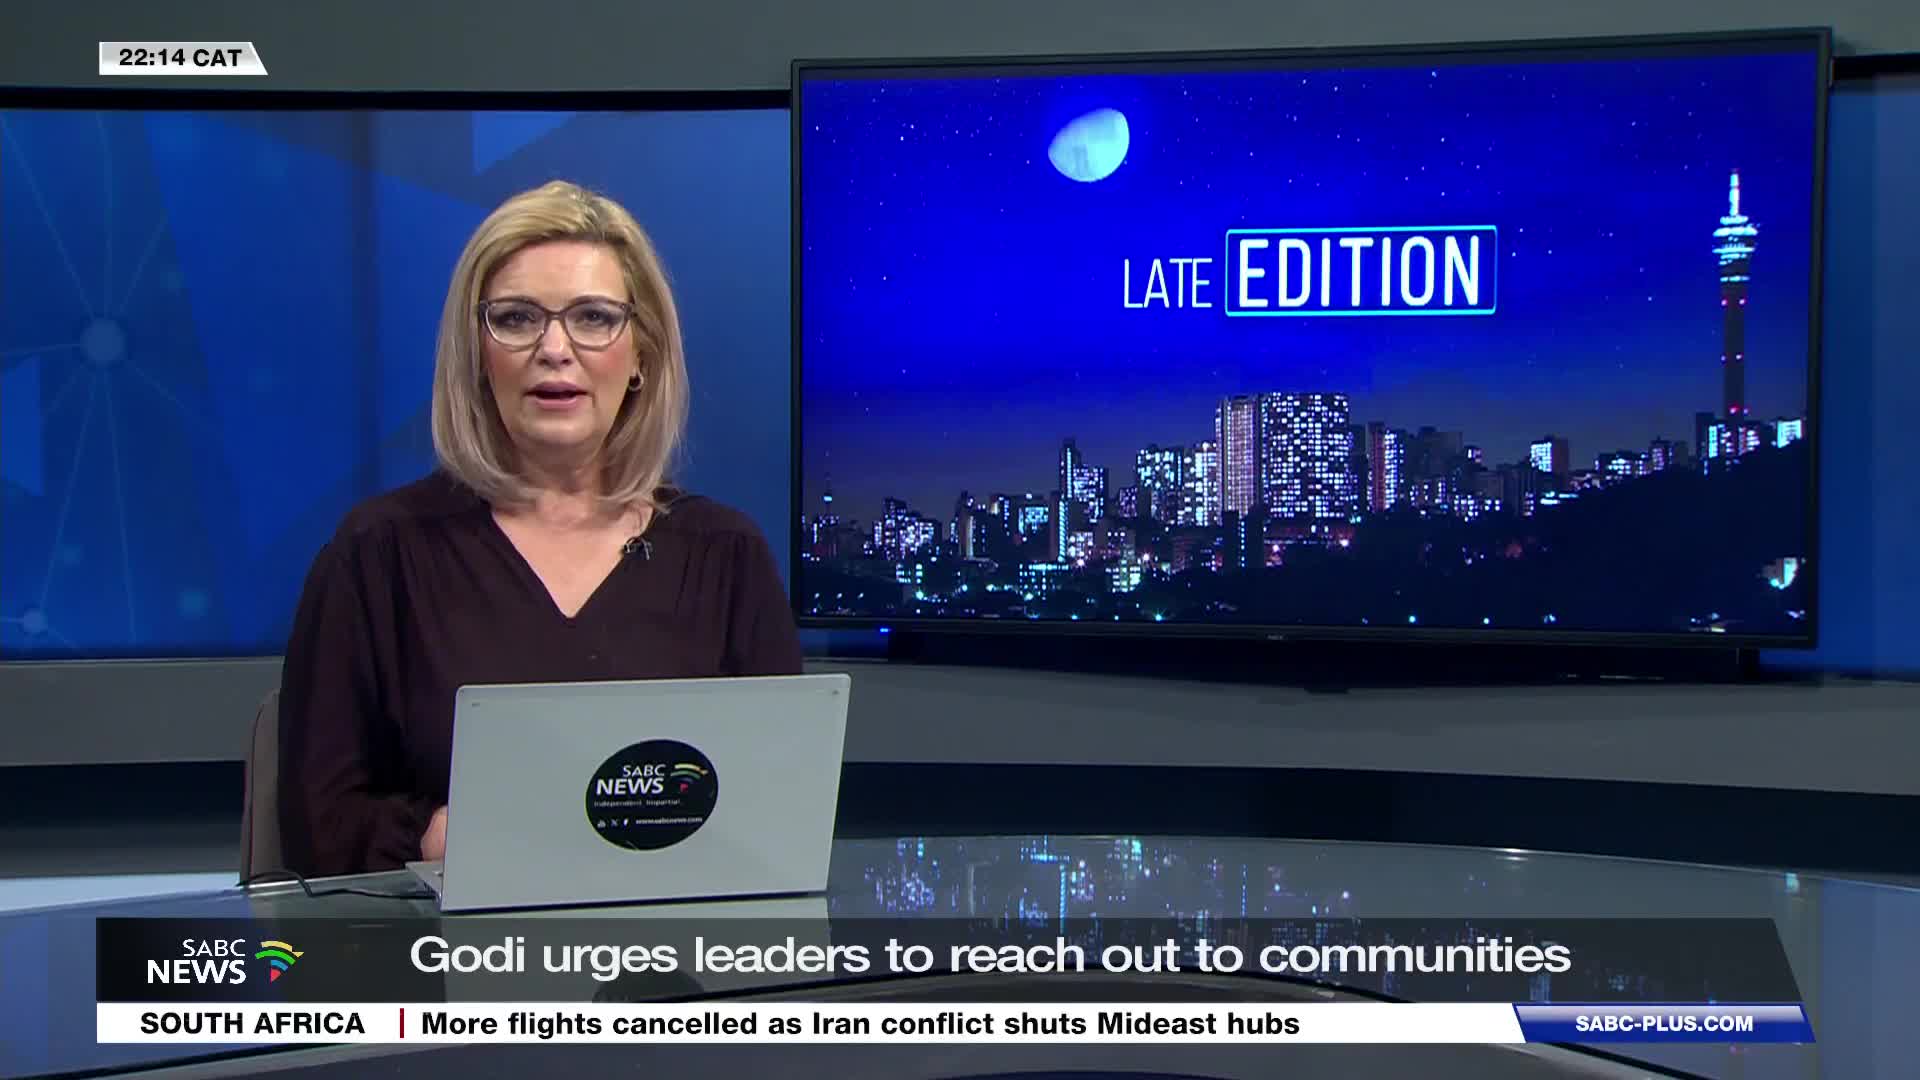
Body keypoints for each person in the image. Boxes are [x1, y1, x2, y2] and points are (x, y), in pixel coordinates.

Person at [276, 181, 802, 879]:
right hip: (441, 964)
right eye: (518, 319)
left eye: (592, 318)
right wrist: (436, 837)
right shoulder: (380, 554)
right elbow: (318, 822)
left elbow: (780, 815)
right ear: (476, 352)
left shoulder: (726, 557)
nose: (555, 348)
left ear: (642, 353)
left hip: (673, 960)